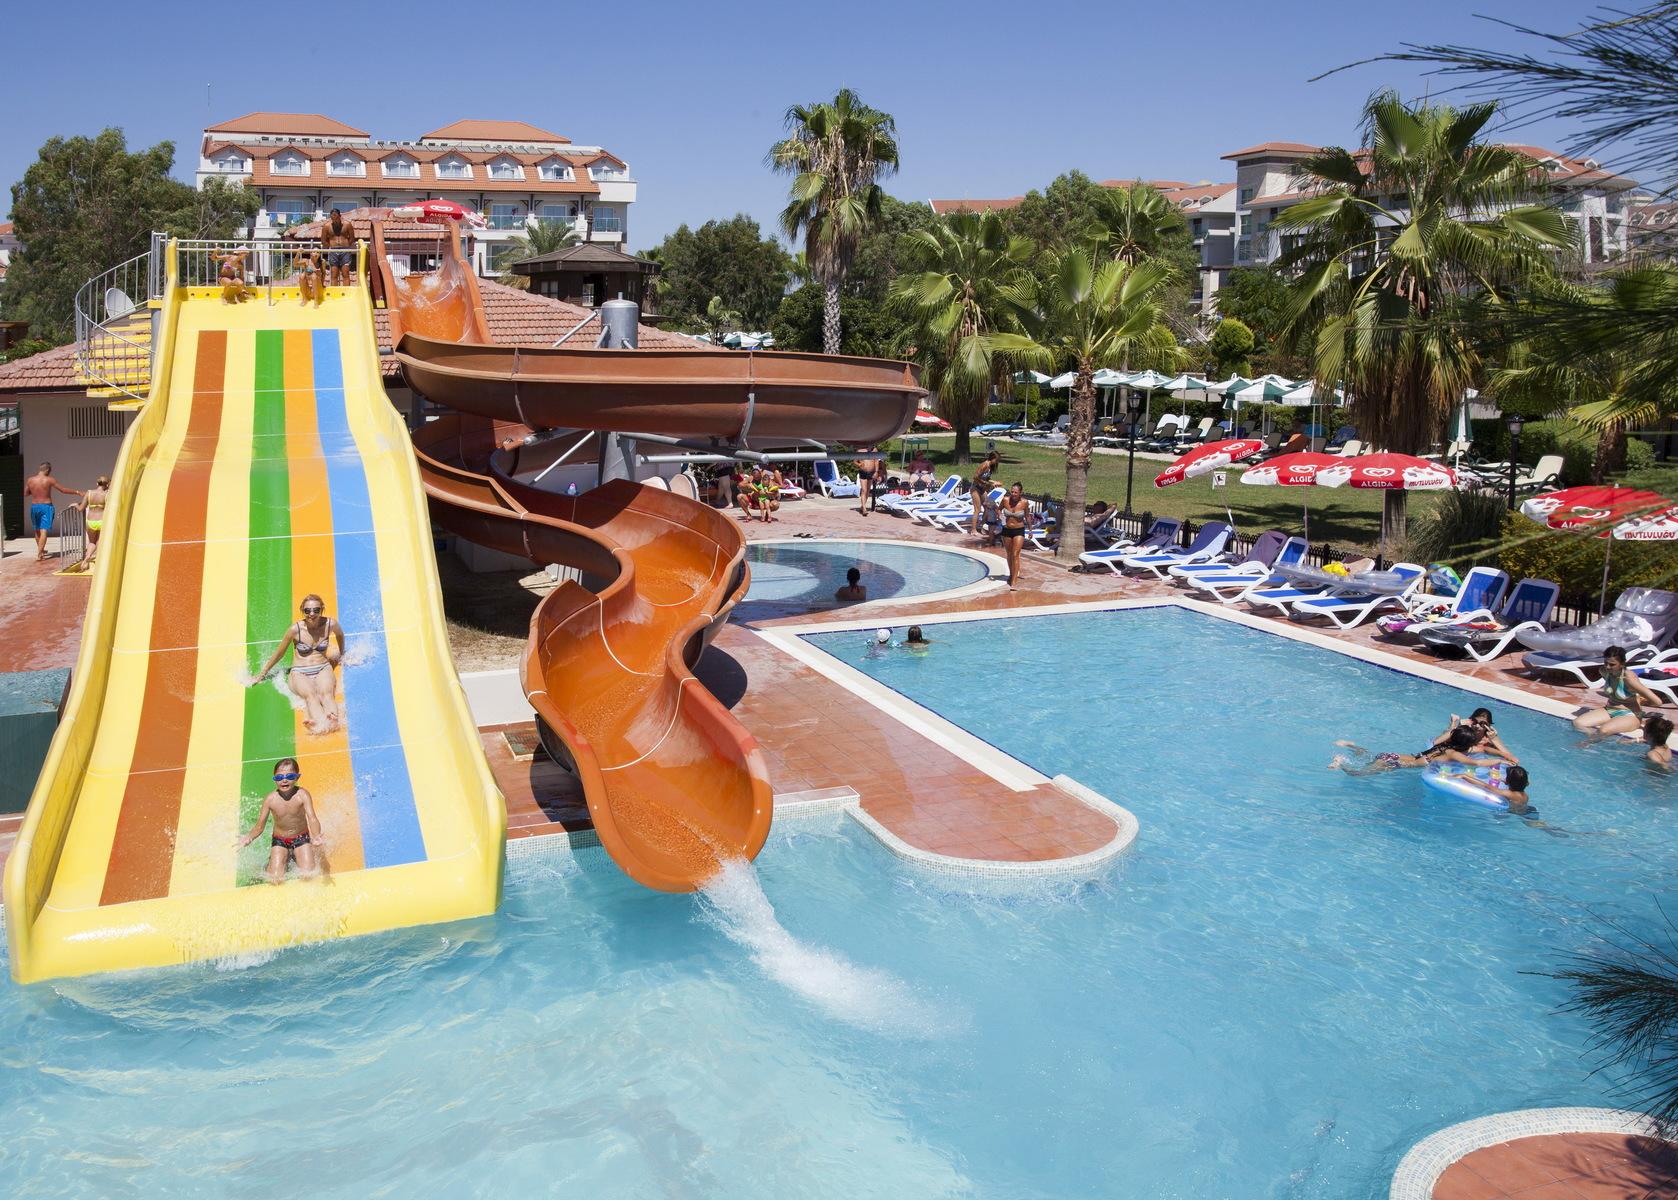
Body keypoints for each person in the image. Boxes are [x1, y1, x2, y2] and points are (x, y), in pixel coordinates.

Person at [252, 594, 345, 734]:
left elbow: (340, 635)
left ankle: (332, 720)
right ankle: (322, 723)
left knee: (327, 694)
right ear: (302, 610)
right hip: (300, 671)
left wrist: (342, 654)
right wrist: (262, 674)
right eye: (307, 610)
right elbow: (279, 654)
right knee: (311, 696)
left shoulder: (330, 624)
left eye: (316, 610)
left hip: (322, 668)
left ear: (322, 609)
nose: (312, 614)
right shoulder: (295, 630)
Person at [238, 758, 323, 883]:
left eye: (289, 776)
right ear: (274, 779)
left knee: (309, 874)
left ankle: (294, 854)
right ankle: (274, 861)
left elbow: (312, 818)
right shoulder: (270, 799)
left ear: (297, 777)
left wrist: (316, 836)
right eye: (279, 777)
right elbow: (260, 826)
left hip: (301, 838)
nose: (284, 780)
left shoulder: (302, 795)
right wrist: (249, 837)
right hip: (280, 840)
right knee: (275, 878)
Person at [1574, 645, 1662, 737]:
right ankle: (1596, 740)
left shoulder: (1629, 678)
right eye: (1605, 663)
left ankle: (1589, 742)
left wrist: (1642, 702)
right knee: (1578, 723)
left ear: (1622, 663)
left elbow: (1657, 702)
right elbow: (1613, 689)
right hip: (1609, 710)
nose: (1608, 667)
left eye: (1612, 664)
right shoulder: (1604, 671)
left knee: (1603, 730)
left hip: (1630, 715)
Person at [1329, 726, 1485, 775]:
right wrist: (1497, 759)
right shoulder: (1452, 753)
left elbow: (1449, 733)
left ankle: (1351, 745)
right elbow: (1475, 763)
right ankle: (1340, 763)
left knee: (1368, 757)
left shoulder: (1442, 745)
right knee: (1358, 774)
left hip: (1391, 755)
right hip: (1393, 763)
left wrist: (1453, 724)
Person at [23, 462, 82, 562]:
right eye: (49, 471)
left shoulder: (30, 480)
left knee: (37, 530)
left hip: (35, 507)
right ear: (47, 470)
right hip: (46, 507)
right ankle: (39, 554)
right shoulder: (49, 480)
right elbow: (63, 490)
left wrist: (35, 491)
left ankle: (41, 550)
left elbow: (26, 493)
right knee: (44, 530)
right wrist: (77, 492)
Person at [1433, 708, 1517, 764]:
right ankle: (1453, 722)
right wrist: (1458, 727)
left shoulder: (1487, 740)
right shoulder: (1465, 732)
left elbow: (1512, 759)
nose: (1477, 726)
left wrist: (1494, 738)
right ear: (1470, 720)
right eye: (1475, 721)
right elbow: (1437, 742)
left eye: (1482, 724)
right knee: (1450, 732)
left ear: (1489, 726)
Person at [999, 482, 1030, 587]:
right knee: (1009, 554)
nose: (1013, 494)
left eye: (1016, 492)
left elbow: (1027, 516)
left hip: (1019, 530)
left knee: (1015, 554)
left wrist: (1030, 530)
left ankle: (1014, 580)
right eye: (1012, 492)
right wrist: (1001, 518)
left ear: (1020, 492)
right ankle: (1012, 574)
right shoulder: (1005, 500)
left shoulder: (1024, 502)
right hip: (1006, 530)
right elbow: (998, 510)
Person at [76, 475, 110, 569]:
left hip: (90, 521)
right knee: (100, 542)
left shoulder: (89, 493)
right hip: (101, 520)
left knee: (92, 542)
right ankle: (99, 562)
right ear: (107, 485)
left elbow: (81, 508)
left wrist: (75, 505)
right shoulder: (107, 495)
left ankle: (87, 557)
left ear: (97, 483)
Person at [322, 208, 356, 287]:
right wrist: (331, 246)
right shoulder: (326, 226)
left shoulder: (347, 224)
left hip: (345, 251)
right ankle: (335, 293)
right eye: (332, 218)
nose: (335, 220)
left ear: (340, 216)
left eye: (336, 218)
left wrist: (346, 245)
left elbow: (352, 238)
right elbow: (323, 240)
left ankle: (346, 292)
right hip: (333, 251)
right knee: (334, 273)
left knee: (345, 273)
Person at [969, 451, 1001, 534]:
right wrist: (987, 483)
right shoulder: (984, 465)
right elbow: (975, 477)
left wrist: (994, 482)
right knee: (977, 509)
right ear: (992, 458)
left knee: (987, 508)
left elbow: (986, 478)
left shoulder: (990, 467)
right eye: (996, 460)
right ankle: (973, 530)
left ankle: (981, 526)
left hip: (982, 489)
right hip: (975, 488)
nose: (997, 462)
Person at [856, 451, 883, 516]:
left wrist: (876, 472)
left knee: (867, 490)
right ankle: (864, 509)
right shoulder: (861, 450)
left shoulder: (874, 450)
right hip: (863, 472)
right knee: (864, 490)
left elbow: (876, 461)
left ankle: (863, 506)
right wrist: (859, 464)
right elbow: (855, 461)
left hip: (871, 472)